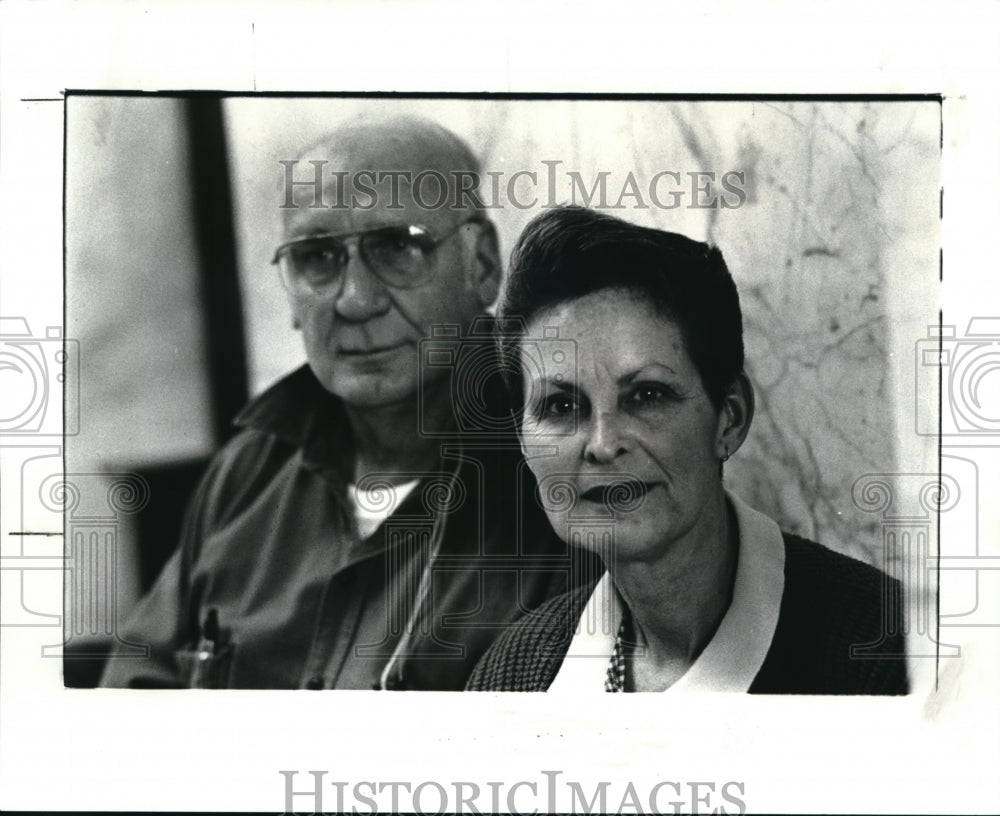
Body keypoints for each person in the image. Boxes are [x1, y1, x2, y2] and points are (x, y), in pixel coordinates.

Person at [100, 117, 590, 690]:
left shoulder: (567, 476)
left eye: (397, 248)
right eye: (317, 257)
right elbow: (133, 694)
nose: (356, 301)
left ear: (481, 265)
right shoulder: (249, 472)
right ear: (290, 292)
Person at [466, 206, 909, 694]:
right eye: (561, 405)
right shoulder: (513, 673)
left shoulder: (890, 659)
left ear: (730, 417)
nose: (604, 443)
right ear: (522, 438)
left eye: (647, 395)